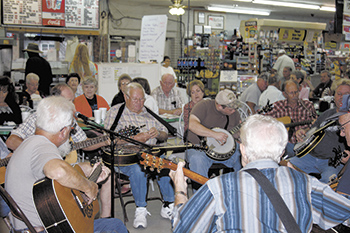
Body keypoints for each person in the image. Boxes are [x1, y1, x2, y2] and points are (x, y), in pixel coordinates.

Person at [170, 114, 350, 233]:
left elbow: (182, 228)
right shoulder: (307, 184)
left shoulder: (217, 186)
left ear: (243, 150)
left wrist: (180, 191)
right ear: (281, 153)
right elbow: (344, 211)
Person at [5, 96, 127, 233]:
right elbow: (58, 171)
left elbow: (55, 176)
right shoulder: (42, 146)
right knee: (114, 226)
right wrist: (88, 187)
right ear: (63, 131)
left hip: (46, 222)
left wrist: (87, 168)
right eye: (71, 130)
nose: (71, 133)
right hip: (47, 228)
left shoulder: (32, 142)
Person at [104, 82, 174, 229]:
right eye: (136, 99)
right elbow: (108, 139)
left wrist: (158, 133)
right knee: (138, 169)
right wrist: (135, 139)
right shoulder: (116, 112)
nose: (140, 103)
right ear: (126, 96)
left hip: (151, 154)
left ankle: (168, 205)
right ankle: (141, 209)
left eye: (142, 99)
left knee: (166, 164)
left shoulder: (148, 112)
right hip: (125, 159)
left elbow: (165, 134)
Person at [287, 78, 350, 184]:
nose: (342, 97)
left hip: (332, 162)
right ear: (334, 96)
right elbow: (314, 129)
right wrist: (303, 131)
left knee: (328, 183)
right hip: (310, 156)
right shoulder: (327, 114)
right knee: (286, 168)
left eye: (346, 94)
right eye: (339, 93)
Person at [186, 89, 242, 190]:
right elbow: (192, 124)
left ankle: (239, 189)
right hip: (199, 147)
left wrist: (242, 132)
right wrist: (214, 135)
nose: (234, 111)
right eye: (231, 109)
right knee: (197, 160)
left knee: (243, 153)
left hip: (225, 150)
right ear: (220, 106)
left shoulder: (234, 113)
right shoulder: (203, 106)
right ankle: (201, 198)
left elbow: (236, 135)